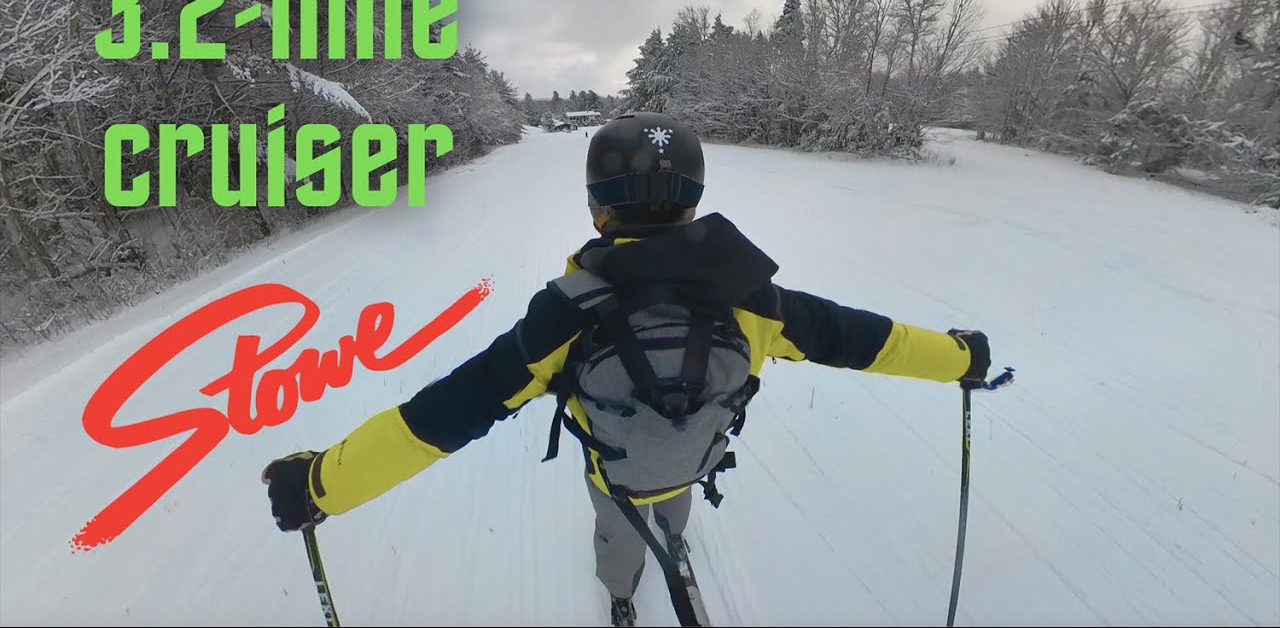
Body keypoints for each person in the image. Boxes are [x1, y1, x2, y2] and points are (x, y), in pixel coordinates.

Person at [262, 112, 994, 627]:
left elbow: (444, 415)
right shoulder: (754, 297)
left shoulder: (566, 312)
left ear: (596, 211)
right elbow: (871, 340)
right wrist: (960, 358)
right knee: (673, 491)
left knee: (617, 527)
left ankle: (622, 595)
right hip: (694, 451)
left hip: (613, 468)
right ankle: (675, 538)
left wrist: (322, 482)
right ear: (695, 199)